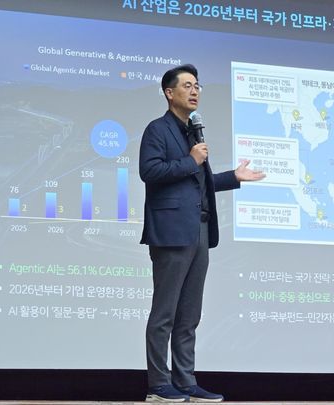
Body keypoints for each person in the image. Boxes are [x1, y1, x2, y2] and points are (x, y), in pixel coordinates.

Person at [139, 64, 265, 402]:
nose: (195, 91)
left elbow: (198, 183)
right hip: (171, 232)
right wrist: (192, 160)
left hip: (200, 230)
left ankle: (185, 382)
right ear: (169, 93)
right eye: (187, 85)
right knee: (164, 313)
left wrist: (233, 177)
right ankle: (158, 385)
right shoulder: (158, 129)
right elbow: (149, 171)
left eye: (197, 85)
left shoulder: (193, 133)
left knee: (190, 314)